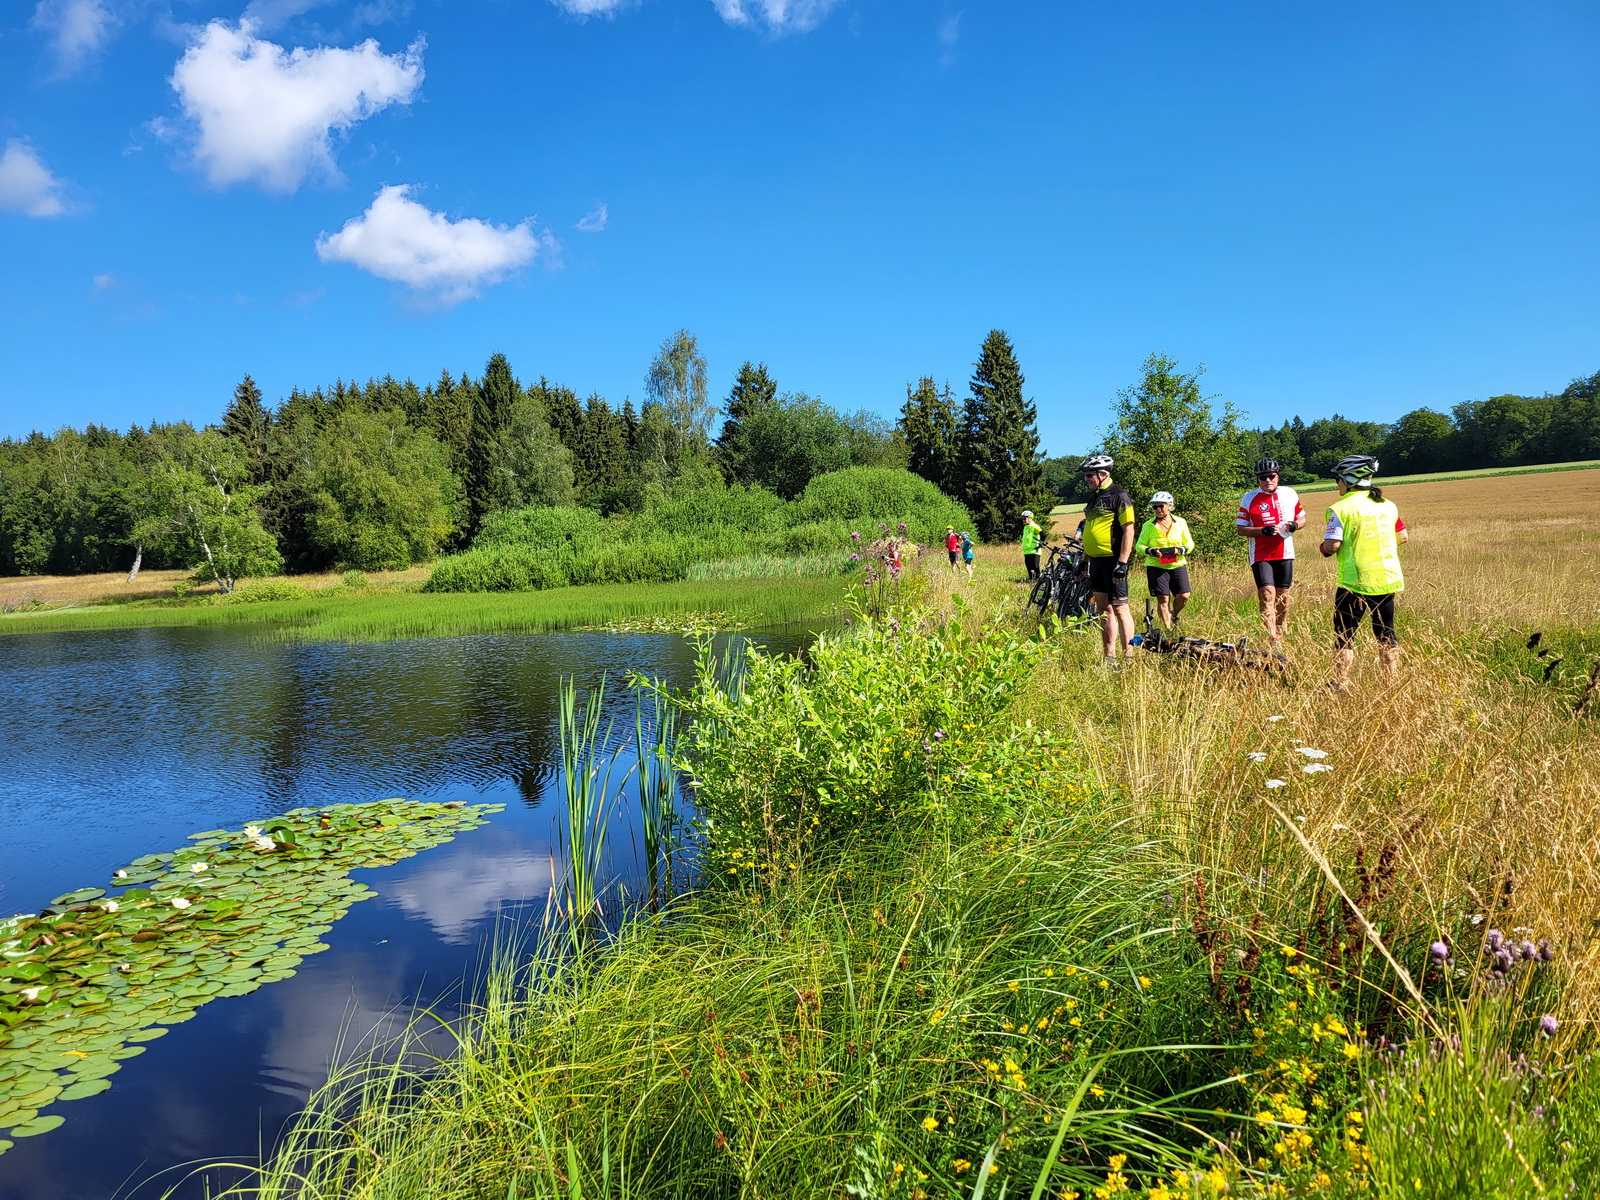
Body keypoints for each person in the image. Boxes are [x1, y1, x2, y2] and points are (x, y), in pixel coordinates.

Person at [1319, 454, 1408, 689]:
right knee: (1386, 632)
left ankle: (1340, 683)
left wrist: (1323, 549)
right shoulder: (1388, 505)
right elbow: (1403, 537)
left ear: (1348, 479)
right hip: (1386, 579)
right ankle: (1390, 683)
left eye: (1337, 479)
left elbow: (1332, 545)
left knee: (1344, 635)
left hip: (1354, 582)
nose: (1336, 484)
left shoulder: (1339, 509)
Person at [1236, 457, 1306, 648]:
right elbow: (1240, 529)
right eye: (1262, 477)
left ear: (1278, 476)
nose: (1267, 480)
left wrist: (1295, 525)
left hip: (1285, 553)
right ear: (1258, 479)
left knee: (1283, 598)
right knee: (1267, 595)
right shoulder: (1249, 498)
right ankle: (1272, 638)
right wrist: (1262, 531)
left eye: (1271, 476)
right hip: (1261, 554)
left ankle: (1280, 631)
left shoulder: (1290, 494)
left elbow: (1302, 519)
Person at [1078, 454, 1136, 661]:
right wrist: (1084, 561)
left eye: (1089, 475)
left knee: (1120, 609)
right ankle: (1109, 657)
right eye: (1085, 475)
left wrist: (1122, 562)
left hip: (1113, 561)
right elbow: (1090, 532)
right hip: (1096, 562)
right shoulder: (1094, 498)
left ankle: (1128, 657)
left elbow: (1129, 530)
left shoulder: (1119, 495)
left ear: (1103, 474)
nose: (1086, 479)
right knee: (1103, 609)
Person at [1133, 491, 1195, 629]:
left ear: (1169, 506)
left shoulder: (1180, 522)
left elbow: (1190, 543)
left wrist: (1181, 550)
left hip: (1177, 564)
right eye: (1154, 507)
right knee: (1163, 598)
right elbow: (1139, 545)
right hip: (1156, 566)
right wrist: (1151, 551)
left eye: (1161, 506)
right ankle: (1168, 629)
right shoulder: (1148, 525)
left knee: (1184, 595)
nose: (1158, 509)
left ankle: (1173, 616)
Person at [1020, 510, 1044, 580]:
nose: (1023, 520)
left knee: (1035, 567)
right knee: (1029, 568)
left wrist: (1041, 544)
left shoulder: (1034, 526)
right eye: (1022, 518)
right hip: (1027, 551)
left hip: (1034, 550)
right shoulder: (1026, 527)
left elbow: (1043, 534)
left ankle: (1038, 581)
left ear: (1030, 518)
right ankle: (1031, 581)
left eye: (1025, 518)